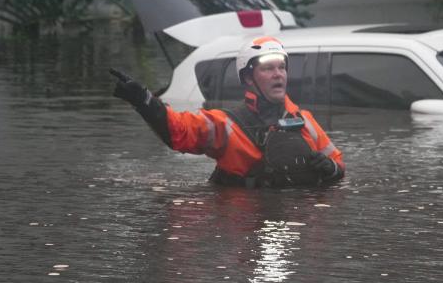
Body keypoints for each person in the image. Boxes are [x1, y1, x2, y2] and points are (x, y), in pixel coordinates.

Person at [110, 35, 345, 188]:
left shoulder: (305, 121)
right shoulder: (225, 125)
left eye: (282, 67)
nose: (278, 74)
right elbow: (178, 130)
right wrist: (144, 100)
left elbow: (338, 164)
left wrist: (332, 169)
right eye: (268, 68)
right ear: (248, 78)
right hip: (242, 227)